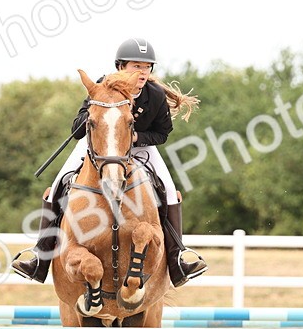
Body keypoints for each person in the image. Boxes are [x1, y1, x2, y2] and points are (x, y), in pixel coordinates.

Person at [11, 38, 207, 287]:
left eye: (147, 67)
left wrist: (136, 137)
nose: (142, 72)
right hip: (101, 147)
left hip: (140, 149)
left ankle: (178, 256)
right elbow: (77, 126)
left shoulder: (155, 95)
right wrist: (95, 117)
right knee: (58, 183)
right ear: (120, 67)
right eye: (136, 66)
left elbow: (163, 133)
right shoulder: (102, 86)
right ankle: (40, 255)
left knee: (168, 190)